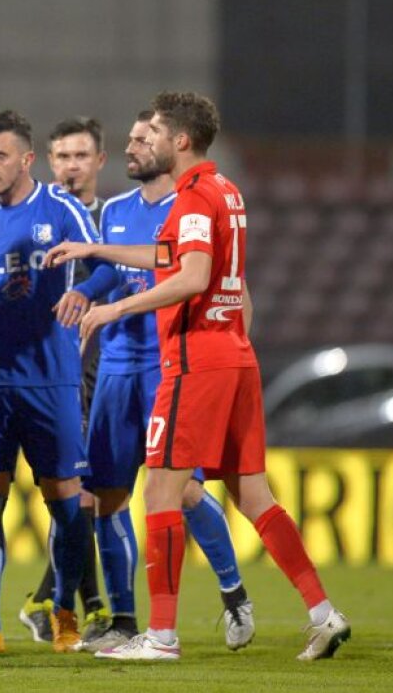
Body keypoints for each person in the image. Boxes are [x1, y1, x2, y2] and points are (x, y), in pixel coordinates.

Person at [46, 91, 350, 661]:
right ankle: (323, 612)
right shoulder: (225, 191)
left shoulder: (189, 201)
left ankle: (160, 635)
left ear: (179, 141)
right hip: (236, 355)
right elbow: (170, 258)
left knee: (160, 491)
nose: (147, 141)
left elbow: (189, 276)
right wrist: (94, 248)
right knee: (253, 494)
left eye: (155, 133)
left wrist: (115, 309)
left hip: (194, 360)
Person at [50, 110, 253, 652]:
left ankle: (233, 593)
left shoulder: (190, 207)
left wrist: (233, 351)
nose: (132, 148)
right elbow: (112, 270)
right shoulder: (115, 211)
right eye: (132, 138)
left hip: (169, 365)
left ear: (169, 145)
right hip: (116, 369)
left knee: (183, 491)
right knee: (107, 495)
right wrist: (85, 290)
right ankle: (122, 619)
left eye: (143, 139)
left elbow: (224, 284)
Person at [0, 110, 99, 654]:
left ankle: (64, 613)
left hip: (51, 382)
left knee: (68, 505)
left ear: (27, 159)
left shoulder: (62, 209)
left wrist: (85, 290)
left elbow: (109, 265)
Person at [19, 117, 114, 647]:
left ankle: (53, 602)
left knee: (95, 495)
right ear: (49, 163)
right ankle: (82, 607)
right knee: (78, 496)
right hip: (57, 378)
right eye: (63, 157)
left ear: (100, 161)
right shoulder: (40, 218)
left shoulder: (116, 220)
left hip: (111, 371)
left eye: (81, 156)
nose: (72, 166)